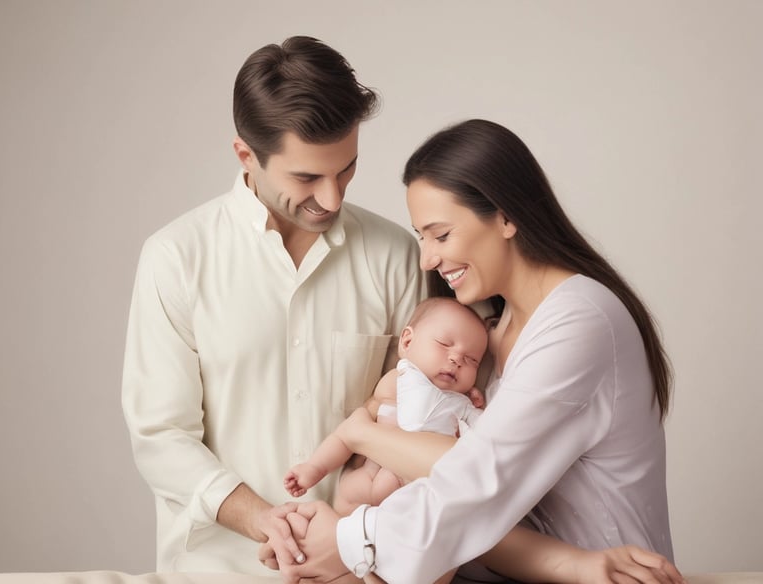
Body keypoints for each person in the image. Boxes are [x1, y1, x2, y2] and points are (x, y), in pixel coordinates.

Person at [261, 119, 683, 584]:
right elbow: (476, 513)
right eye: (422, 237)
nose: (426, 259)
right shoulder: (485, 335)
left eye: (440, 235)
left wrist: (349, 537)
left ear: (505, 216)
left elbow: (478, 482)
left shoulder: (579, 321)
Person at [120, 36, 423, 576]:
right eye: (306, 177)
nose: (332, 198)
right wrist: (261, 518)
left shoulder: (395, 254)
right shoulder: (176, 258)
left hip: (356, 570)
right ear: (246, 155)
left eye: (346, 168)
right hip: (219, 572)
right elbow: (161, 437)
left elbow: (416, 423)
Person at [284, 297, 488, 516]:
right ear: (408, 342)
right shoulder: (394, 383)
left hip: (408, 497)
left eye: (471, 360)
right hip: (363, 482)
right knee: (340, 517)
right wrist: (315, 468)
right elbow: (347, 434)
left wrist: (473, 405)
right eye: (444, 344)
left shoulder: (458, 402)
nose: (456, 359)